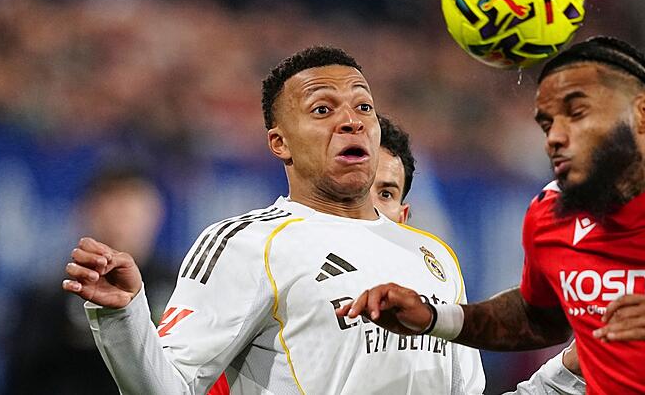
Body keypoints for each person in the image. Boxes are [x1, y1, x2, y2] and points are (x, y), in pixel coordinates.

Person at [339, 36, 645, 393]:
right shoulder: (552, 215)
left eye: (576, 113)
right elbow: (538, 318)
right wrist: (438, 318)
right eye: (547, 122)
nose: (555, 136)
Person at [62, 46, 487, 394]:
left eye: (364, 106)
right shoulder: (247, 243)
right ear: (279, 142)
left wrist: (556, 375)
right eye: (323, 110)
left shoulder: (433, 256)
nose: (351, 120)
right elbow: (173, 388)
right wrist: (123, 318)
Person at [373, 114, 585, 394]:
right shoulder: (299, 266)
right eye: (354, 193)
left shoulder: (439, 287)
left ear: (405, 214)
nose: (370, 209)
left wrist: (567, 374)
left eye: (386, 193)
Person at [8, 165, 170, 395]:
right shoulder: (50, 297)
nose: (120, 217)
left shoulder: (181, 288)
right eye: (110, 202)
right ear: (84, 212)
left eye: (130, 204)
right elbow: (23, 377)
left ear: (156, 212)